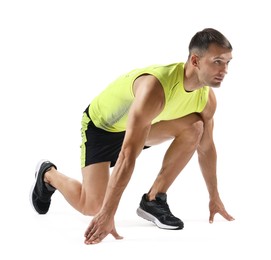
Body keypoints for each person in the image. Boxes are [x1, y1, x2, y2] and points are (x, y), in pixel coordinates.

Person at [30, 28, 235, 245]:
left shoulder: (206, 99)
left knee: (195, 126)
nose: (224, 70)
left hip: (141, 127)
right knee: (92, 207)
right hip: (101, 129)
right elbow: (128, 155)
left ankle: (154, 200)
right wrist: (107, 214)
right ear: (195, 60)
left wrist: (214, 196)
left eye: (228, 62)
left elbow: (206, 148)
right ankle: (48, 174)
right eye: (218, 61)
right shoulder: (155, 87)